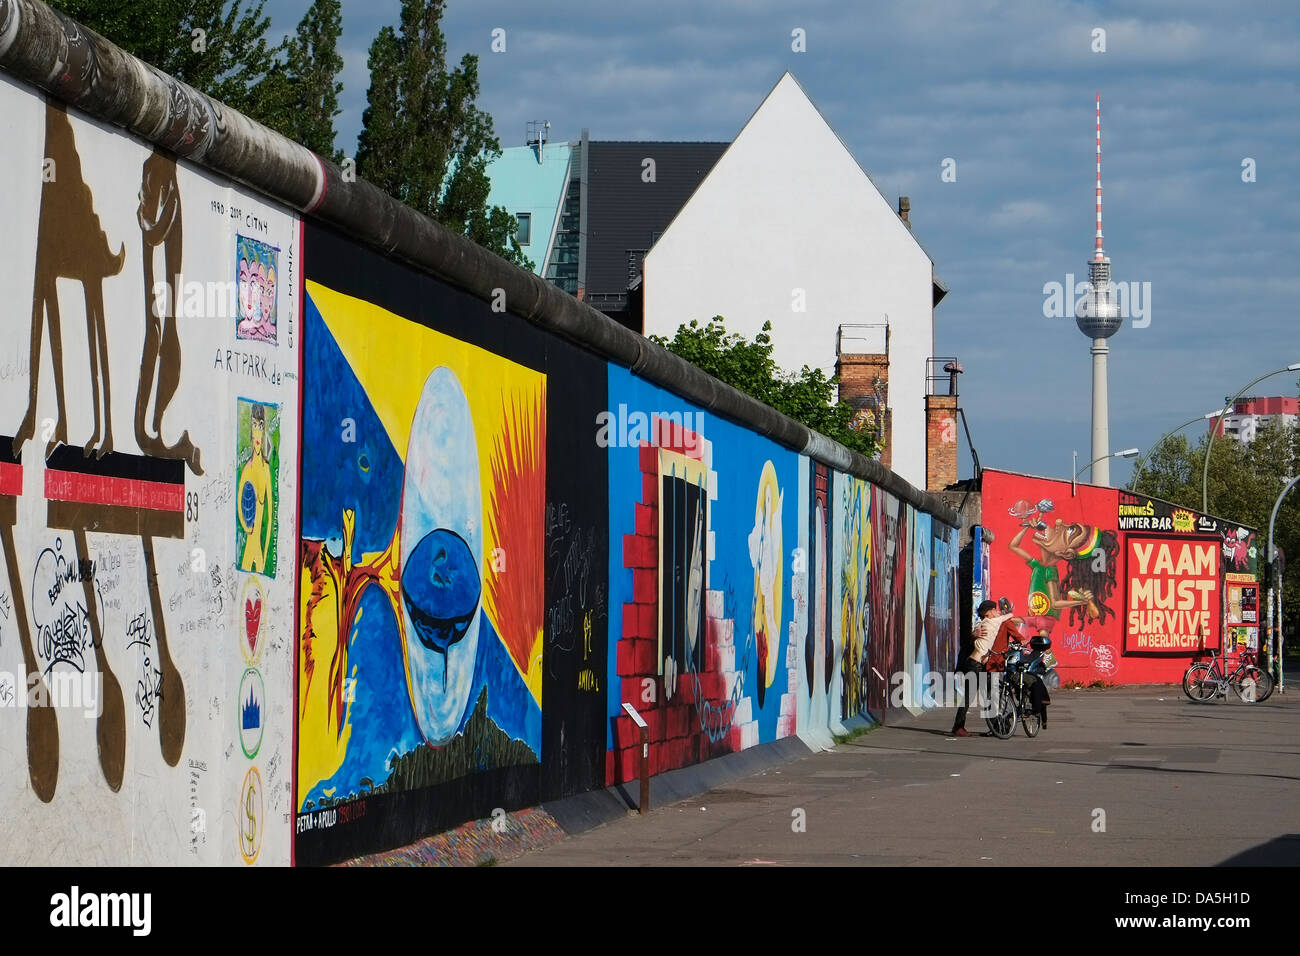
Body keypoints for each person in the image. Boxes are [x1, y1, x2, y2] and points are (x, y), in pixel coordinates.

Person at [952, 600, 1014, 737]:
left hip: (977, 663)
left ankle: (996, 726)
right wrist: (1008, 612)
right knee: (973, 695)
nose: (996, 612)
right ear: (988, 613)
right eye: (994, 610)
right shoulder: (990, 622)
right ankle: (958, 727)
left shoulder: (984, 623)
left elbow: (977, 634)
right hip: (974, 664)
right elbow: (1007, 616)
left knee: (989, 693)